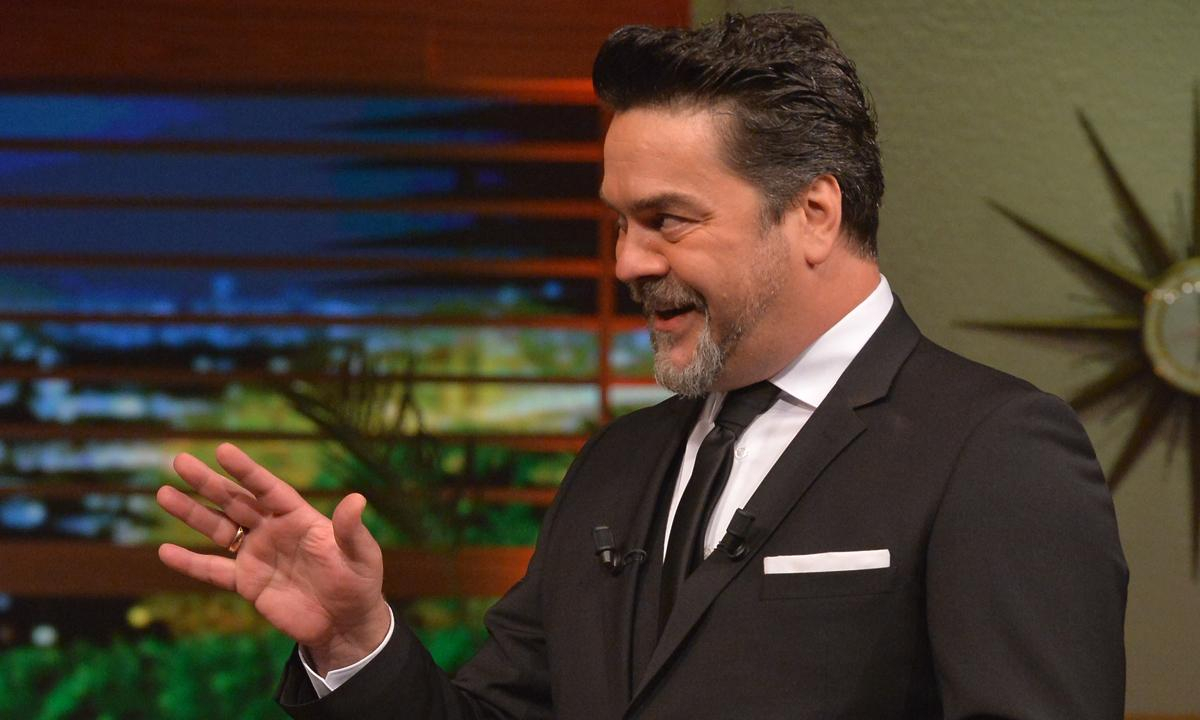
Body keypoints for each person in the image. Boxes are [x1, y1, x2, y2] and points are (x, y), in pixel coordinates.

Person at [156, 12, 1128, 719]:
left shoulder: (996, 451)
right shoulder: (614, 466)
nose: (627, 262)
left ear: (814, 214)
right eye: (620, 224)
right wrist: (352, 640)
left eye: (667, 220)